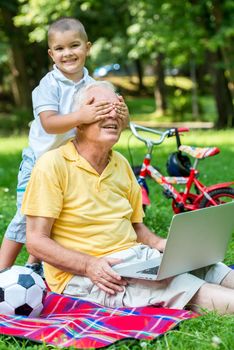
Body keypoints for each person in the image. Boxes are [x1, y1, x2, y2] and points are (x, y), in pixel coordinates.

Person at [22, 81, 234, 314]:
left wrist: (165, 246)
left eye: (117, 107)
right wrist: (89, 265)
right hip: (89, 275)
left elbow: (137, 228)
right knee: (184, 286)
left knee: (211, 268)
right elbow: (35, 241)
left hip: (136, 260)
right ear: (79, 120)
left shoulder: (120, 163)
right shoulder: (52, 165)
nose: (113, 114)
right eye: (102, 108)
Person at [0, 18, 128, 276]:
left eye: (74, 45)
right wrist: (82, 115)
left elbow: (107, 121)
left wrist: (123, 114)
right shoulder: (48, 86)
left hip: (70, 163)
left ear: (87, 48)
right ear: (51, 53)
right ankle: (2, 269)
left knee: (55, 214)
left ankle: (34, 266)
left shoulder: (94, 86)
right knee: (27, 216)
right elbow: (49, 124)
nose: (67, 53)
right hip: (39, 162)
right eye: (59, 48)